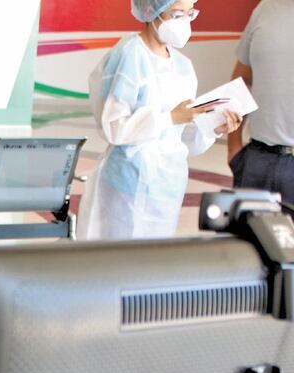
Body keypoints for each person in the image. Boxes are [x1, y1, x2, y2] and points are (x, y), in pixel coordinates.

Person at [77, 0, 242, 240]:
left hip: (167, 183)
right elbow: (115, 128)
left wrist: (212, 128)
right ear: (150, 11)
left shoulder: (183, 67)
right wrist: (171, 116)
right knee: (118, 262)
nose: (184, 21)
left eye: (189, 13)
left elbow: (182, 137)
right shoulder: (130, 55)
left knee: (153, 261)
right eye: (176, 14)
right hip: (127, 180)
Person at [227, 0, 294, 205]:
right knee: (251, 237)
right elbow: (242, 80)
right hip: (257, 161)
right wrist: (233, 147)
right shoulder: (265, 9)